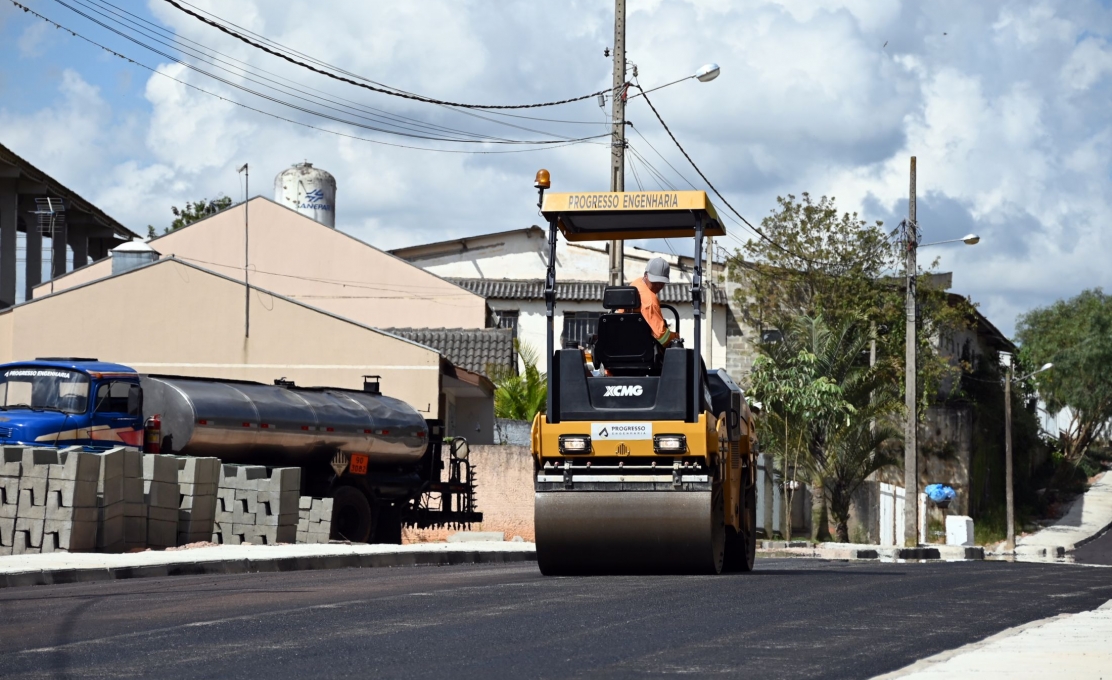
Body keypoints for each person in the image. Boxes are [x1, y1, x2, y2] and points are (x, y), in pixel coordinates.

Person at [628, 257, 680, 347]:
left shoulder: (636, 283)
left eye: (662, 282)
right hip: (640, 349)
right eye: (655, 281)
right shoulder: (650, 300)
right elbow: (661, 336)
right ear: (646, 275)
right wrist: (675, 336)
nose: (659, 285)